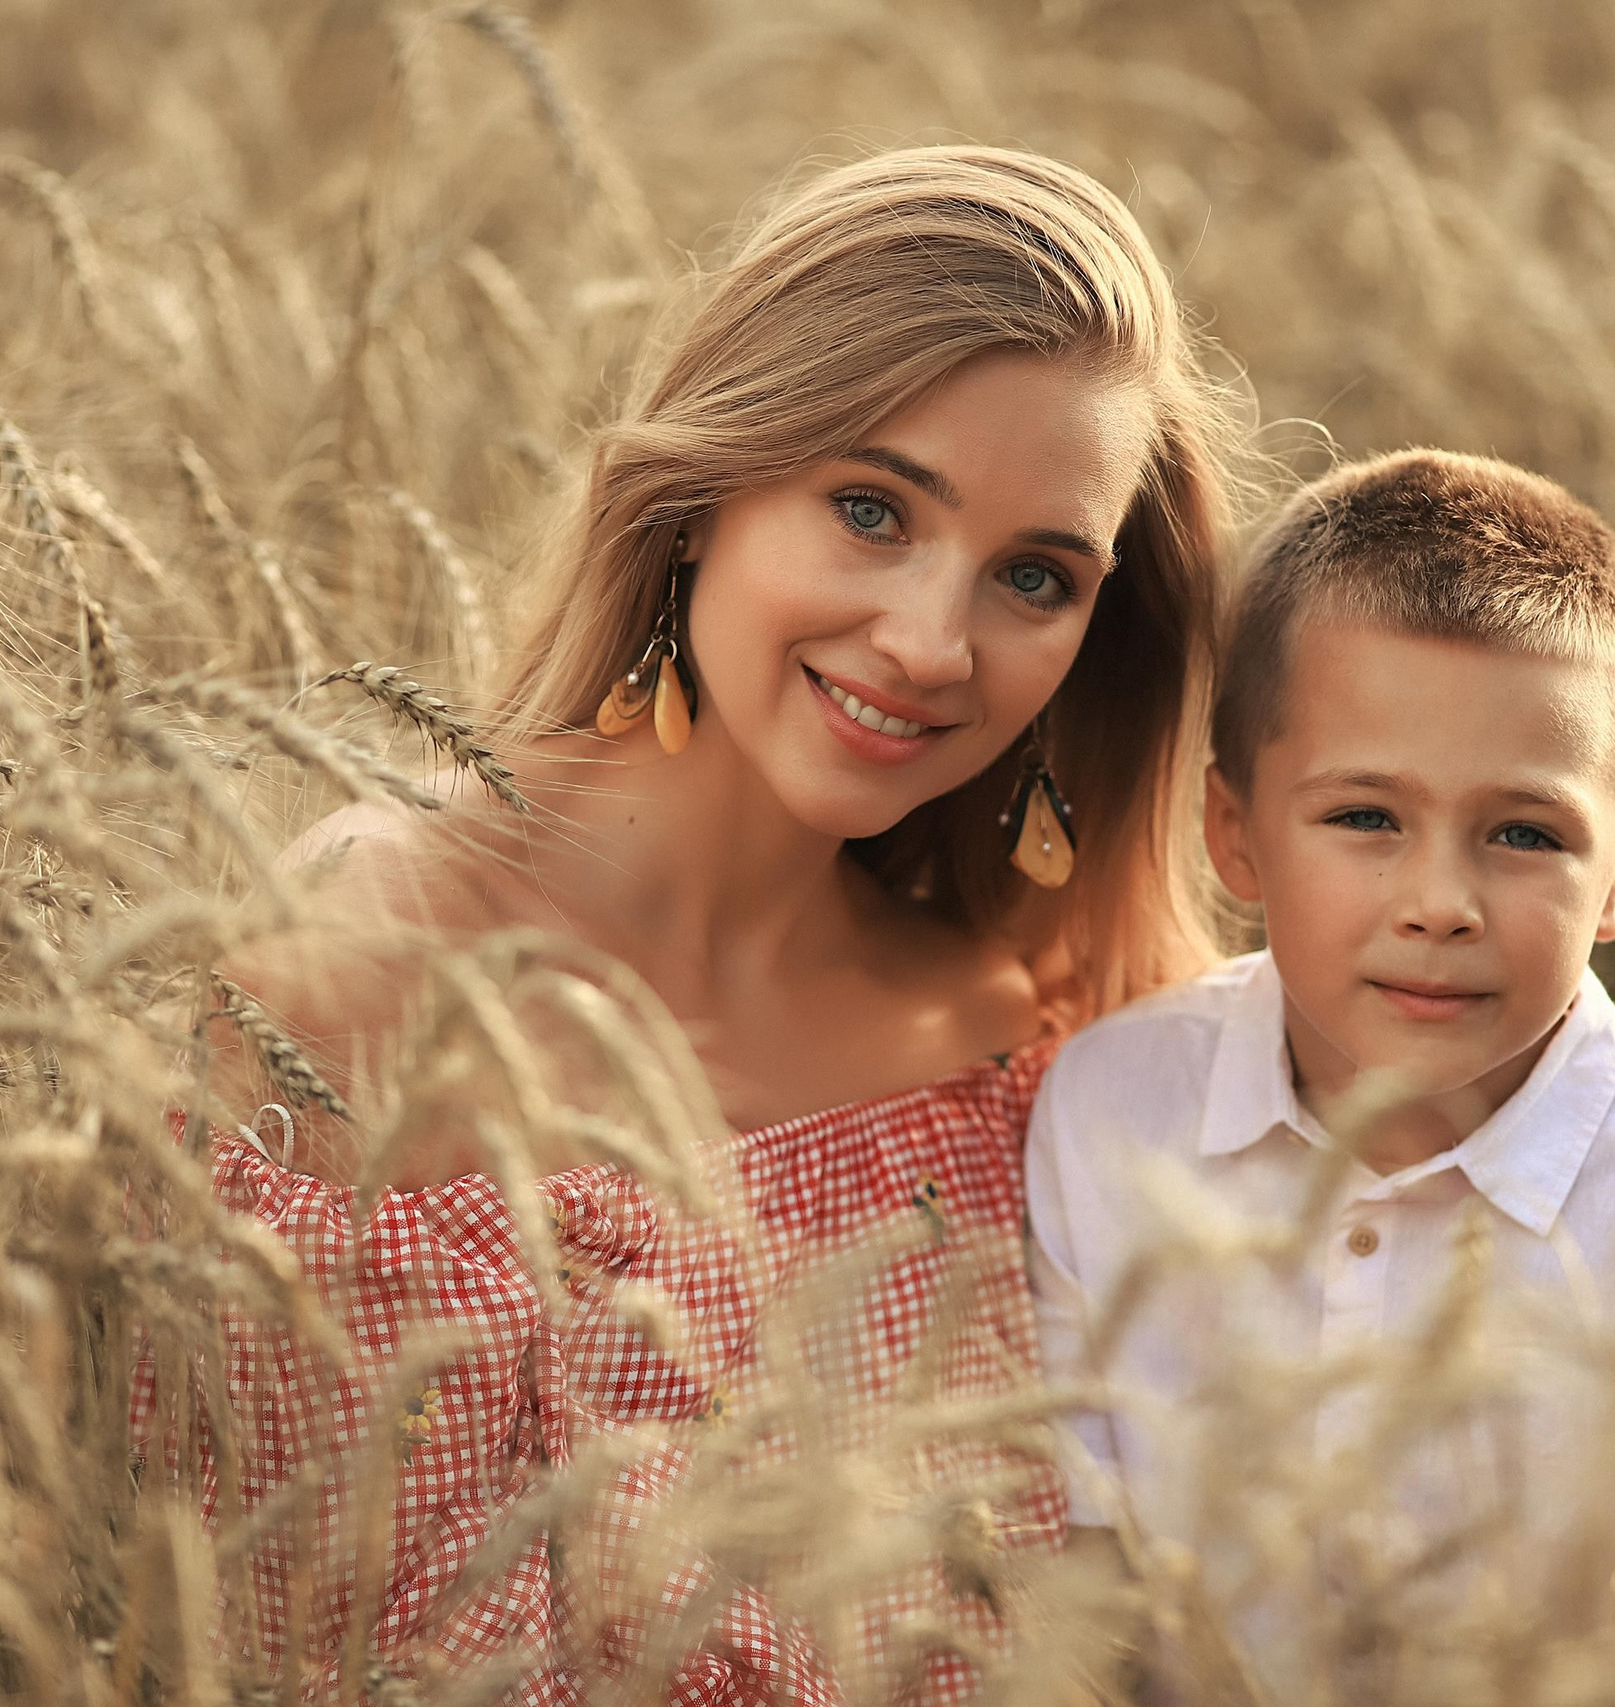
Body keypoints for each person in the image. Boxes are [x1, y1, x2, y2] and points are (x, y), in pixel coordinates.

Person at [131, 146, 1240, 1705]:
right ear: (705, 487)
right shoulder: (381, 942)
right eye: (871, 508)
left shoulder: (1019, 1054)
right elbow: (236, 1622)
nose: (932, 641)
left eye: (1034, 578)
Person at [1023, 449, 1615, 1700]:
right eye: (1365, 817)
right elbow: (1074, 1591)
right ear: (1235, 834)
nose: (1438, 904)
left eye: (1524, 835)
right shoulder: (1108, 1113)